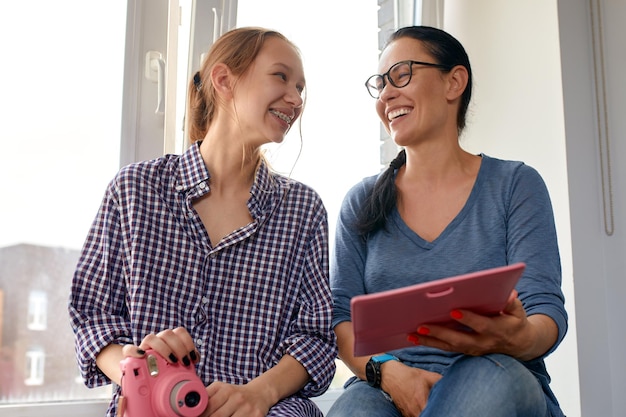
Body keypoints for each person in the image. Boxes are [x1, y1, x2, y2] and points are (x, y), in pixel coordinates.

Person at [69, 27, 337, 417]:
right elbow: (92, 317)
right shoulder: (135, 189)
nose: (296, 99)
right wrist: (139, 373)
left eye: (301, 87)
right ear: (224, 80)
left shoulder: (303, 209)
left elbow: (316, 339)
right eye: (281, 76)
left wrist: (258, 394)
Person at [327, 25, 567, 417]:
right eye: (380, 83)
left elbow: (545, 310)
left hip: (496, 373)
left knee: (488, 387)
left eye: (401, 74)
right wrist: (388, 373)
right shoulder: (361, 201)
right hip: (386, 386)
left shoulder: (515, 185)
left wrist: (520, 337)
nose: (386, 94)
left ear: (454, 82)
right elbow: (341, 317)